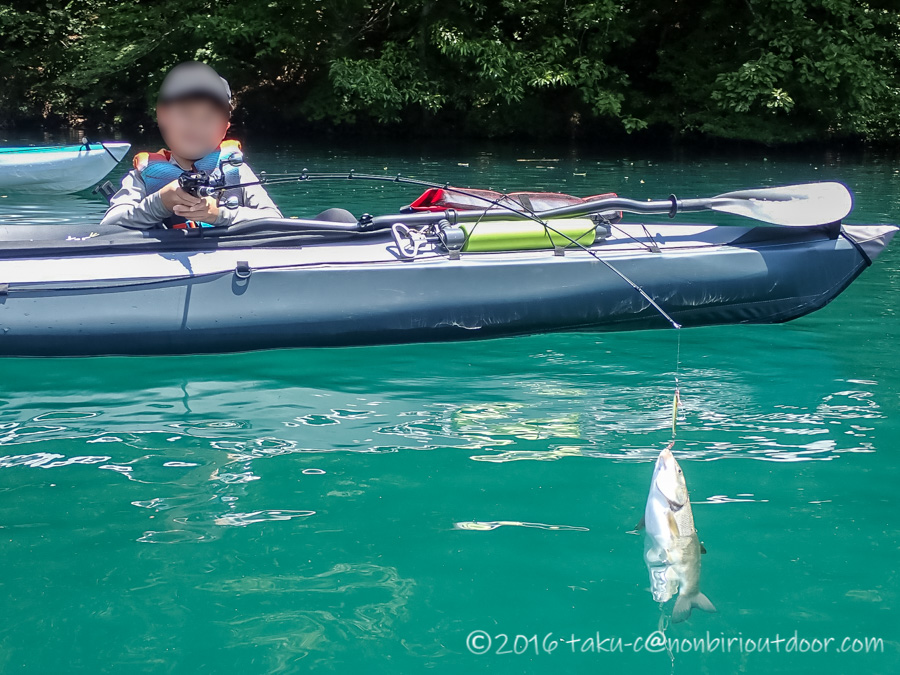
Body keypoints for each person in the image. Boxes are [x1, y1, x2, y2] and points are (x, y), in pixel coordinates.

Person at [100, 61, 282, 229]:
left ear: (225, 128)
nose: (196, 125)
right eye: (185, 114)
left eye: (208, 117)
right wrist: (160, 203)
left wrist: (219, 214)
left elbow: (274, 219)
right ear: (164, 119)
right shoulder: (142, 175)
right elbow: (108, 226)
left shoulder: (236, 170)